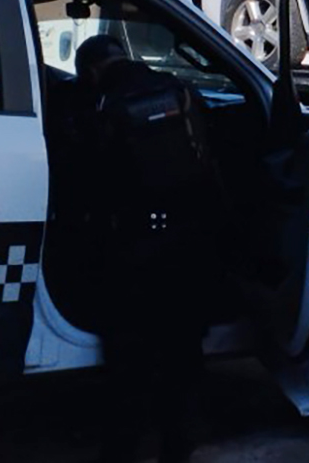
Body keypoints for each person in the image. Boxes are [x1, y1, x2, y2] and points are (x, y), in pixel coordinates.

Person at [74, 35, 224, 463]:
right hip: (187, 248)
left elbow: (90, 184)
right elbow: (211, 161)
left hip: (134, 252)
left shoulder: (102, 107)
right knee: (182, 359)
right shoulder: (180, 91)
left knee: (129, 367)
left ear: (91, 72)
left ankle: (121, 451)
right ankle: (177, 449)